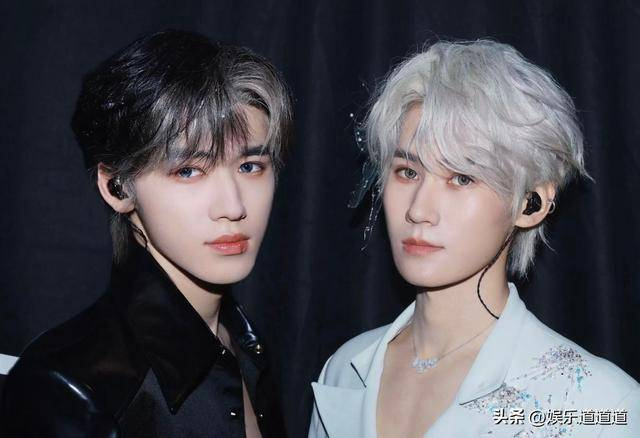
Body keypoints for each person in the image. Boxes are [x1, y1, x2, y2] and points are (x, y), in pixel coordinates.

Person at [309, 40, 639, 437]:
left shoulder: (599, 403)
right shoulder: (344, 371)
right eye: (408, 172)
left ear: (530, 204)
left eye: (462, 178)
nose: (419, 210)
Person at [1, 29, 292, 438]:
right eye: (189, 171)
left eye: (250, 167)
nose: (233, 206)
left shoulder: (248, 347)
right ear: (117, 187)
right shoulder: (70, 389)